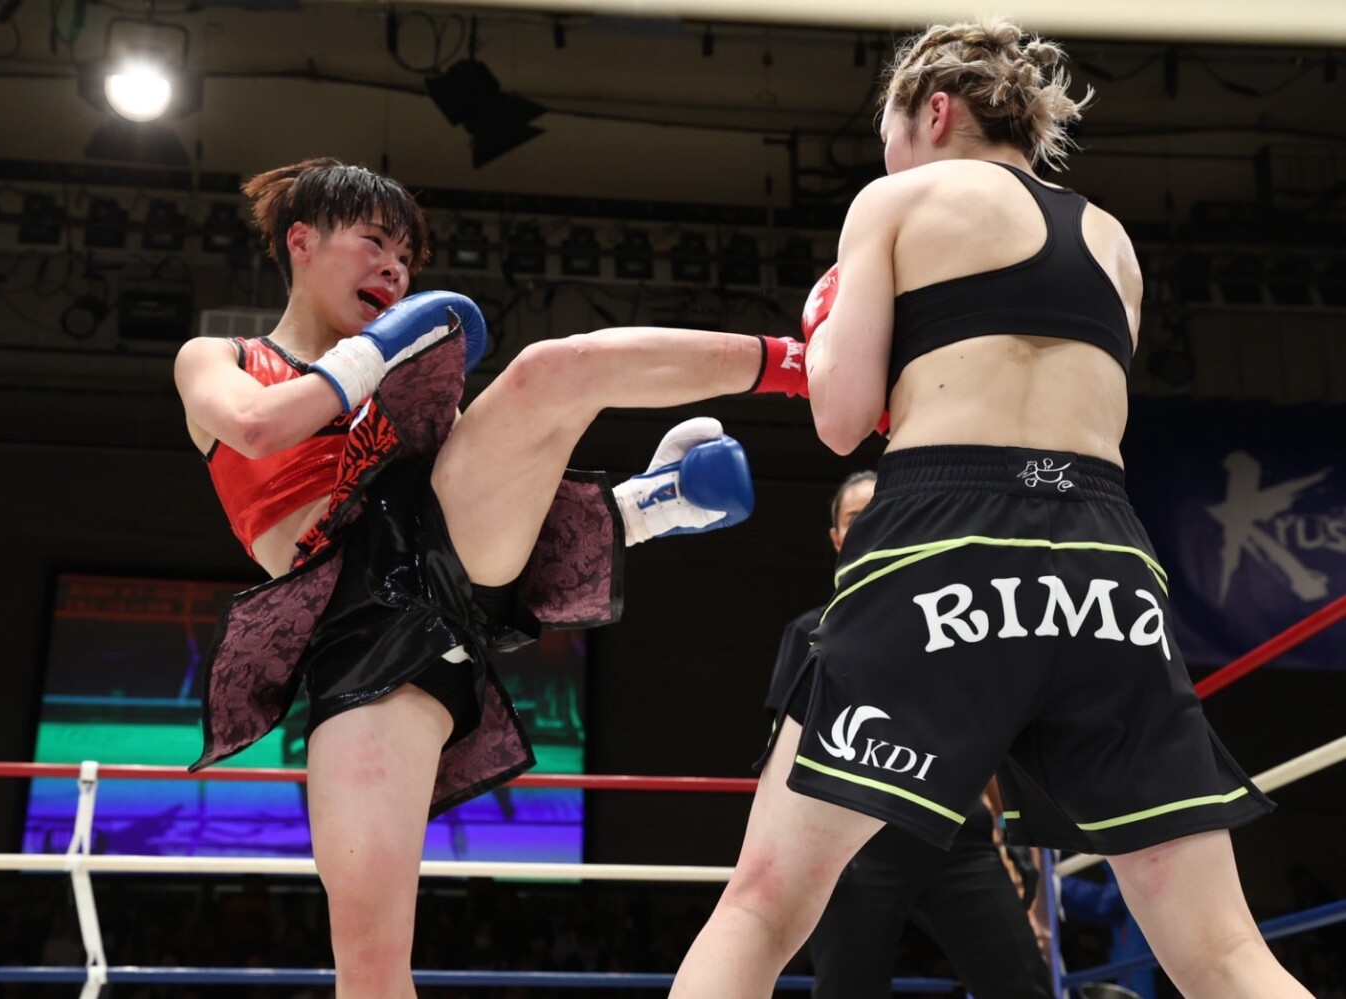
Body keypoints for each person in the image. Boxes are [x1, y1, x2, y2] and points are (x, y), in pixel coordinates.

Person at [673, 20, 1310, 998]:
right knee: (1223, 952)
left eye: (889, 134)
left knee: (762, 908)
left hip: (947, 531)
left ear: (934, 111)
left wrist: (831, 335)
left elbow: (843, 423)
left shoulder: (897, 200)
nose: (888, 157)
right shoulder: (1112, 239)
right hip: (1105, 556)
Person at [172, 158, 811, 997]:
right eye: (374, 243)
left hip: (443, 559)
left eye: (406, 256)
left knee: (548, 371)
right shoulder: (220, 357)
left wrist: (384, 362)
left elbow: (495, 496)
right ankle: (648, 505)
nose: (395, 270)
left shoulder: (399, 386)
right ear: (302, 240)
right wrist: (372, 356)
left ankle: (798, 368)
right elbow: (255, 428)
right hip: (355, 638)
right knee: (368, 966)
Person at [764, 471, 1051, 998]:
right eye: (856, 518)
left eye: (882, 511)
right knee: (848, 991)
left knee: (1021, 985)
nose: (870, 525)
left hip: (956, 836)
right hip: (853, 845)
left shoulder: (961, 628)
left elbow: (988, 742)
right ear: (837, 538)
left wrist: (1009, 839)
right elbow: (783, 763)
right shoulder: (810, 633)